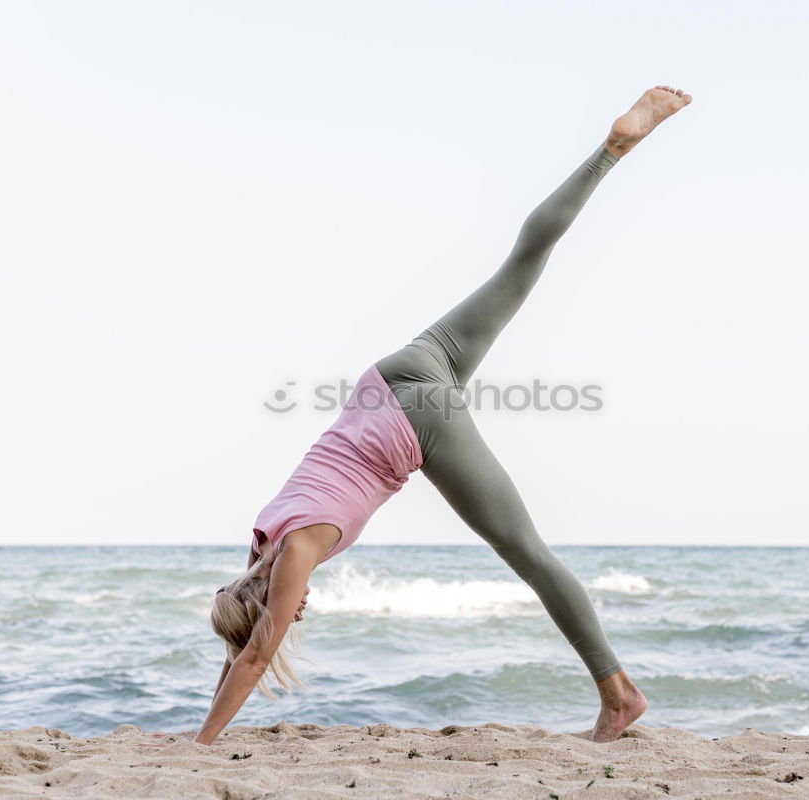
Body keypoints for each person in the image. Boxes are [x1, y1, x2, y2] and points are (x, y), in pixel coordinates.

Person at [196, 85, 693, 746]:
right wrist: (215, 688)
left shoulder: (291, 556)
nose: (298, 613)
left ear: (265, 605)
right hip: (396, 372)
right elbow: (243, 646)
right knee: (519, 267)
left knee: (527, 551)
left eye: (289, 617)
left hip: (413, 417)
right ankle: (611, 150)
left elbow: (255, 655)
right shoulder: (263, 539)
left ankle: (619, 693)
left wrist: (199, 746)